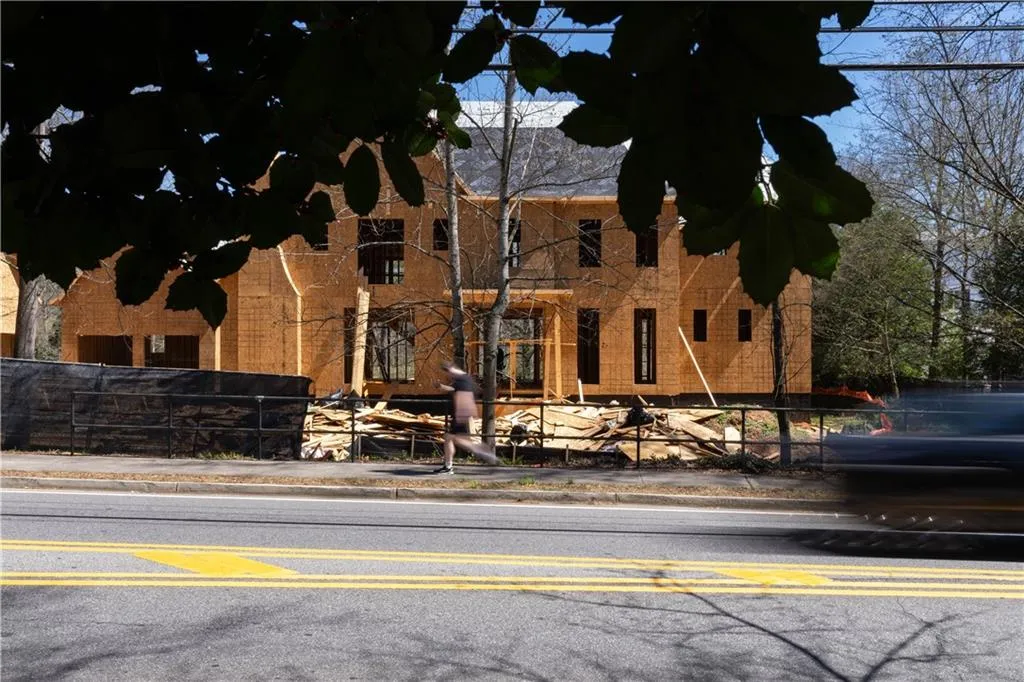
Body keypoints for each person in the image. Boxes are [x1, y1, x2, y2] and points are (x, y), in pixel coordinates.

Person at [434, 361, 498, 474]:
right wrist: (441, 386)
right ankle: (448, 466)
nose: (448, 376)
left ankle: (482, 452)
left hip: (460, 414)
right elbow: (454, 390)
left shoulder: (461, 380)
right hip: (462, 414)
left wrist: (461, 415)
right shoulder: (463, 379)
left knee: (456, 439)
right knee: (451, 438)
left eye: (447, 373)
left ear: (450, 370)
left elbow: (464, 397)